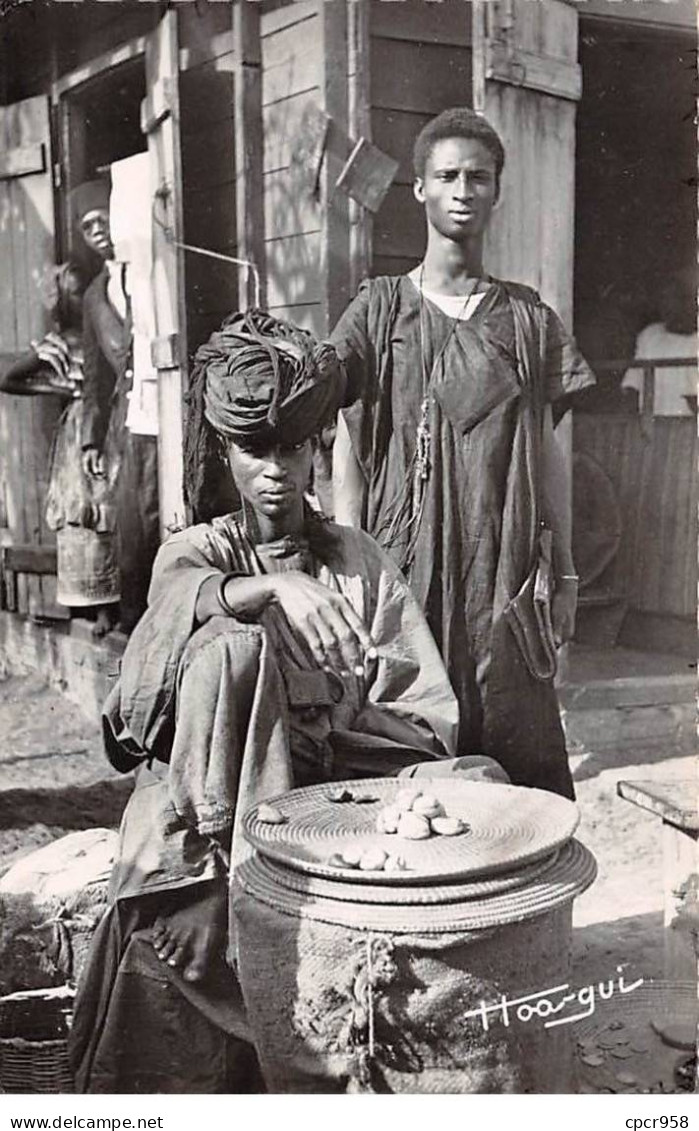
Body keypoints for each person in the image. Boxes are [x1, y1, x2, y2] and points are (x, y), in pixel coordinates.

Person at [69, 310, 503, 1093]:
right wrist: (265, 590)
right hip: (213, 816)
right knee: (237, 647)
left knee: (481, 785)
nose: (275, 468)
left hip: (330, 798)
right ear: (226, 455)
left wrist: (338, 730)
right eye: (254, 448)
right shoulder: (197, 552)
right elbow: (150, 679)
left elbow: (420, 714)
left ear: (316, 449)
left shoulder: (357, 559)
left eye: (292, 446)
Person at [331, 108, 596, 799]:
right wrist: (351, 577)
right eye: (445, 175)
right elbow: (349, 451)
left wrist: (562, 574)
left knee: (513, 768)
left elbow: (544, 452)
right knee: (401, 767)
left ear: (496, 191)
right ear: (417, 188)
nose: (462, 189)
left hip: (500, 578)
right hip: (402, 573)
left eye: (478, 177)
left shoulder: (528, 319)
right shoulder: (378, 311)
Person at [0, 263, 119, 631]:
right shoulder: (63, 341)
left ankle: (107, 605)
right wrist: (61, 389)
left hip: (103, 424)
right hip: (82, 428)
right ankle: (89, 606)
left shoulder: (97, 330)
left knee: (103, 509)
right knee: (80, 510)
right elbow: (9, 378)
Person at [73, 178, 160, 633]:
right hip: (129, 425)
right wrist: (91, 437)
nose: (98, 230)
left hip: (164, 409)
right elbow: (94, 376)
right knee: (133, 527)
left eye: (103, 219)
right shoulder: (93, 296)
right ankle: (134, 626)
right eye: (88, 227)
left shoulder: (150, 273)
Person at [621, 269, 697, 416]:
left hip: (686, 426)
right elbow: (632, 383)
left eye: (672, 298)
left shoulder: (695, 340)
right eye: (662, 299)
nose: (666, 305)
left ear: (686, 301)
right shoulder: (650, 335)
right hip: (651, 426)